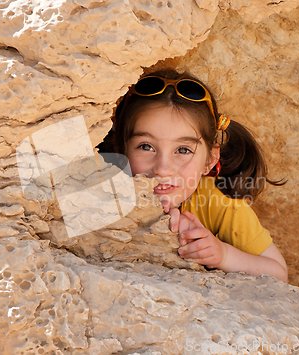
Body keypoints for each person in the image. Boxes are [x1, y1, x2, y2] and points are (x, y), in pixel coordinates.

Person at [98, 69, 288, 282]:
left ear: (210, 160)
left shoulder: (219, 203)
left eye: (183, 150)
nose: (162, 168)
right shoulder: (105, 189)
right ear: (122, 151)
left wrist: (222, 255)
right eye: (146, 146)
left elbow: (278, 273)